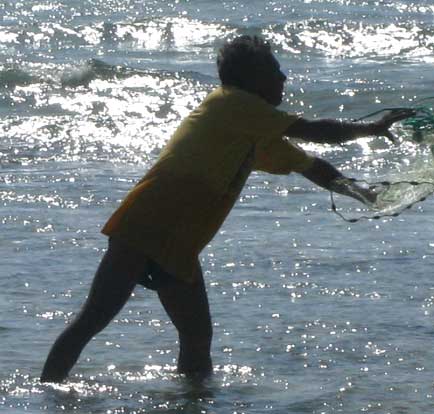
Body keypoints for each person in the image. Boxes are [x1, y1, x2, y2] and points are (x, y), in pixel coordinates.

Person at [40, 35, 413, 382]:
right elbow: (316, 131)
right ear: (252, 78)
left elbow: (309, 164)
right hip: (148, 222)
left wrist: (359, 191)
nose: (284, 77)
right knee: (93, 319)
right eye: (274, 70)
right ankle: (48, 394)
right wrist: (373, 129)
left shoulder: (252, 128)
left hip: (180, 240)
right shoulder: (232, 102)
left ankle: (193, 401)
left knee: (197, 335)